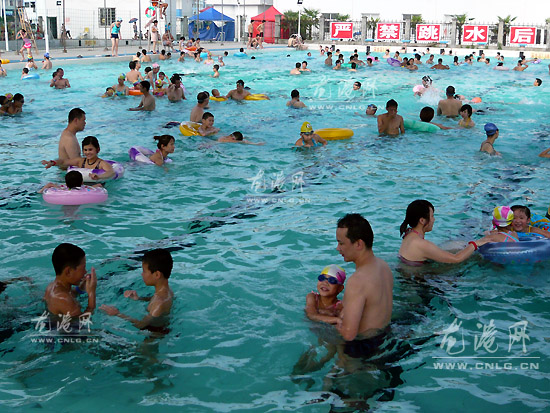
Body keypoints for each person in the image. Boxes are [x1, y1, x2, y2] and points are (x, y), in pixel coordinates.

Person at [334, 214, 393, 356]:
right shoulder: (383, 266)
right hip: (386, 338)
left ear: (358, 244)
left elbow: (349, 334)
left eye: (341, 243)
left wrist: (328, 321)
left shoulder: (357, 281)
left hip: (362, 348)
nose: (337, 248)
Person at [398, 200, 496, 266]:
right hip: (419, 284)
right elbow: (456, 259)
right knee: (474, 258)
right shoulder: (421, 244)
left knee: (458, 246)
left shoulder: (409, 234)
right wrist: (475, 243)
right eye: (432, 216)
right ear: (422, 220)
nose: (433, 219)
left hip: (411, 276)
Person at [100, 249, 174, 331]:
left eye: (144, 271)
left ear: (157, 275)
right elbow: (154, 300)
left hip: (154, 334)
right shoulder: (167, 291)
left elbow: (140, 325)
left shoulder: (159, 303)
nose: (142, 274)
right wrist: (139, 299)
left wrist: (117, 314)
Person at [44, 243, 97, 318]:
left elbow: (71, 294)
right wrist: (91, 293)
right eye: (83, 268)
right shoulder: (64, 300)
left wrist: (81, 288)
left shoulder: (51, 286)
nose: (85, 272)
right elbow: (82, 321)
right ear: (68, 272)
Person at [42, 136, 115, 180]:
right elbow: (64, 161)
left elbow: (111, 172)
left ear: (97, 149)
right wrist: (52, 162)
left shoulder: (101, 163)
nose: (87, 152)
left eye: (90, 149)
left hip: (97, 186)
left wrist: (99, 176)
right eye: (85, 150)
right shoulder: (80, 161)